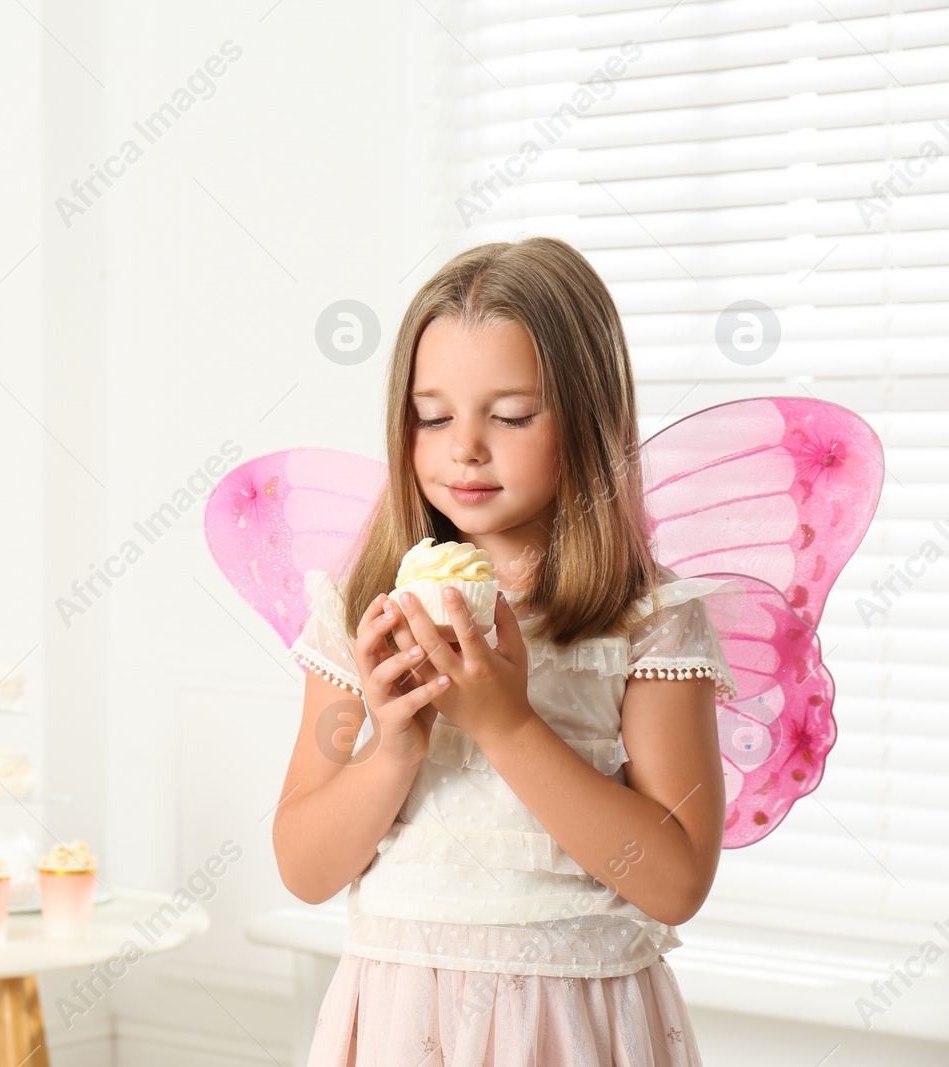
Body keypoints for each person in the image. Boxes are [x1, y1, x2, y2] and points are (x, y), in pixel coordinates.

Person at [277, 236, 736, 1066]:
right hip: (401, 1017)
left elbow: (675, 881)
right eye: (433, 415)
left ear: (588, 419)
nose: (465, 448)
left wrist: (506, 724)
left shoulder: (646, 620)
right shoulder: (364, 612)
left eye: (512, 415)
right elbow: (305, 869)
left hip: (574, 1021)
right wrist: (394, 749)